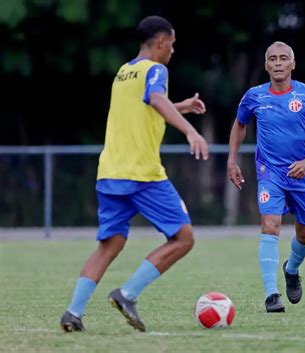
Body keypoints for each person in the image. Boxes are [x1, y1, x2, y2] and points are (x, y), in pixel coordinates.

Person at [60, 15, 209, 332]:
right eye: (171, 44)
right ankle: (127, 294)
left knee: (110, 245)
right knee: (183, 238)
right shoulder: (157, 69)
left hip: (110, 173)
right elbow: (155, 99)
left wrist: (180, 105)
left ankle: (73, 313)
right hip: (142, 175)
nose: (172, 50)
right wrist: (190, 132)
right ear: (160, 42)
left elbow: (146, 105)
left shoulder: (124, 72)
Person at [227, 41, 305, 313]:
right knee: (270, 225)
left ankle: (292, 269)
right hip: (269, 173)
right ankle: (271, 295)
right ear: (266, 65)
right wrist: (232, 160)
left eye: (283, 58)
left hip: (303, 175)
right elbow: (239, 124)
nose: (277, 62)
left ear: (292, 64)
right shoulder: (254, 96)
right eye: (272, 58)